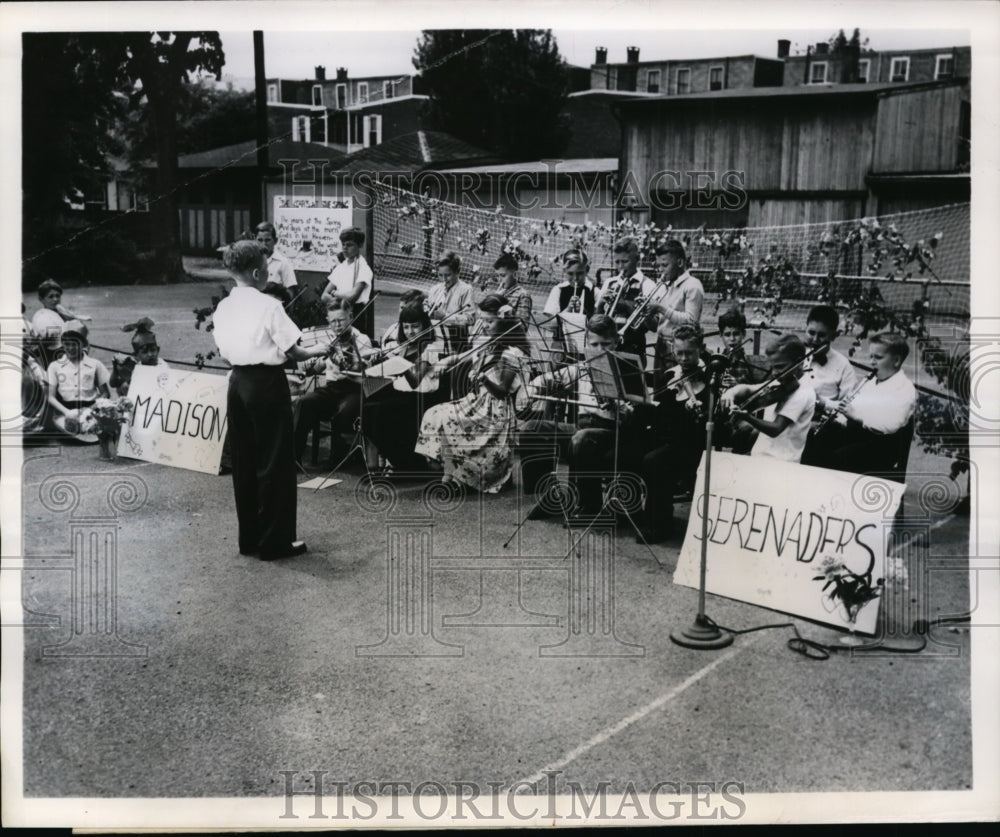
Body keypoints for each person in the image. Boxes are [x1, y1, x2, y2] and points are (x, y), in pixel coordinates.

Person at [211, 240, 331, 561]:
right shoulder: (269, 306)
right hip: (265, 383)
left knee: (245, 459)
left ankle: (249, 538)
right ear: (256, 271)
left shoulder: (224, 308)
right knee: (274, 461)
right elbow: (294, 350)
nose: (268, 272)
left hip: (237, 383)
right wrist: (318, 350)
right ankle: (275, 542)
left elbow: (224, 350)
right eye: (265, 268)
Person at [517, 314, 646, 521]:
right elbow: (548, 379)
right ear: (586, 343)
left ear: (616, 343)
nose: (600, 350)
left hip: (614, 434)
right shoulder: (582, 368)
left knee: (582, 438)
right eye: (594, 344)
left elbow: (637, 415)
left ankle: (589, 505)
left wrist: (619, 407)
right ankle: (551, 497)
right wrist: (531, 389)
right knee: (531, 428)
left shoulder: (627, 370)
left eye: (606, 344)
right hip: (583, 429)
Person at [415, 294, 532, 493]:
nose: (485, 326)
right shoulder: (488, 343)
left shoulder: (512, 352)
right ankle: (449, 474)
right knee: (434, 413)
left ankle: (457, 478)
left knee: (448, 418)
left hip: (496, 411)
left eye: (490, 321)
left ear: (504, 322)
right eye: (483, 321)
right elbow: (460, 357)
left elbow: (502, 391)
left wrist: (484, 379)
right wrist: (442, 363)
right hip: (479, 402)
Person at [637, 324, 710, 543]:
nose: (684, 359)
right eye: (679, 353)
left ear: (700, 349)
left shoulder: (708, 378)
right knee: (628, 446)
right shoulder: (671, 375)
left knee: (655, 461)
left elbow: (706, 422)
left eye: (690, 353)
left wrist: (696, 409)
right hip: (663, 439)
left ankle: (660, 525)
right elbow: (654, 413)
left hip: (689, 445)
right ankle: (631, 512)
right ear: (672, 350)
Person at [810, 332, 916, 476]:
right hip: (857, 438)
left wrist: (856, 415)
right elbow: (850, 408)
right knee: (814, 441)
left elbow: (890, 425)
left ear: (896, 361)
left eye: (878, 358)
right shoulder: (871, 382)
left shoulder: (904, 389)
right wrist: (833, 413)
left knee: (835, 460)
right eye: (871, 356)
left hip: (881, 448)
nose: (872, 362)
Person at [362, 302, 444, 475]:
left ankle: (404, 462)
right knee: (367, 403)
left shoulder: (431, 347)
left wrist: (400, 366)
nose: (410, 332)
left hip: (422, 398)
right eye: (406, 327)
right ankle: (375, 465)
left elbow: (415, 380)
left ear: (424, 326)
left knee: (380, 411)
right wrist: (378, 361)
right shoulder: (403, 346)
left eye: (415, 326)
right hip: (403, 394)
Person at [292, 298, 374, 468]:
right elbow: (310, 371)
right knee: (304, 402)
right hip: (332, 388)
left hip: (354, 388)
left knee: (343, 411)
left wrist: (346, 363)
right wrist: (320, 362)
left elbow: (363, 372)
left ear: (350, 317)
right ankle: (293, 458)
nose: (337, 326)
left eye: (341, 320)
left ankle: (339, 458)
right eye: (333, 321)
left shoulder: (361, 339)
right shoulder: (325, 338)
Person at [722, 333, 816, 463]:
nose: (774, 373)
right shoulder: (782, 381)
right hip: (761, 456)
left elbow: (776, 429)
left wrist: (747, 417)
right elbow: (749, 389)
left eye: (780, 367)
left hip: (783, 462)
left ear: (799, 362)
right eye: (772, 367)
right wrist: (731, 393)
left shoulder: (803, 392)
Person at [596, 237, 660, 366]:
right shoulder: (610, 283)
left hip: (634, 348)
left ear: (637, 259)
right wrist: (602, 303)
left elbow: (654, 326)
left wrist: (625, 305)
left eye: (625, 262)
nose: (620, 267)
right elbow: (596, 320)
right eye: (617, 262)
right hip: (607, 347)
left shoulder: (647, 285)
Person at [45, 321, 111, 440]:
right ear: (62, 344)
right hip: (66, 411)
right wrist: (67, 412)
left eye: (75, 344)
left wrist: (90, 410)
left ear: (83, 344)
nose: (70, 348)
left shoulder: (95, 364)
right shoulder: (54, 366)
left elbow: (105, 393)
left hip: (91, 410)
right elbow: (50, 397)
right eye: (67, 344)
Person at [649, 238, 705, 368]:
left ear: (679, 262)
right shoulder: (666, 285)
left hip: (680, 348)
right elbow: (659, 323)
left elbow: (691, 321)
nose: (660, 270)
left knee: (674, 386)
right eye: (659, 266)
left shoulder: (692, 285)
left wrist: (661, 309)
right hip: (661, 344)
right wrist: (647, 313)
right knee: (659, 386)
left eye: (664, 265)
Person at [541, 250, 597, 357]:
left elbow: (599, 325)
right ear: (564, 271)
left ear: (587, 270)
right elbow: (550, 326)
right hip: (561, 346)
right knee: (554, 372)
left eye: (580, 273)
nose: (575, 278)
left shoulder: (595, 291)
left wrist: (585, 312)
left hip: (587, 347)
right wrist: (567, 310)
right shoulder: (558, 290)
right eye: (570, 274)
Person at [425, 250, 476, 354]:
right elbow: (428, 309)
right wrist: (425, 309)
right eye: (440, 275)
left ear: (457, 272)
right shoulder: (434, 289)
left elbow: (470, 319)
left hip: (456, 342)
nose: (444, 279)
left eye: (448, 275)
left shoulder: (466, 290)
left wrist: (445, 317)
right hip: (434, 339)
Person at [32, 279, 90, 366]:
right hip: (54, 356)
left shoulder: (60, 312)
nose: (55, 299)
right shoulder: (41, 316)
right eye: (50, 297)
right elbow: (48, 335)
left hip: (68, 352)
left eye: (57, 296)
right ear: (41, 299)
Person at [109, 318, 170, 397]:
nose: (150, 354)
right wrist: (115, 367)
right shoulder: (136, 366)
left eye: (153, 350)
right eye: (144, 352)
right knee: (123, 387)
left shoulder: (163, 367)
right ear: (136, 355)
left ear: (158, 350)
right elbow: (113, 384)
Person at [321, 227, 372, 310]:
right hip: (339, 310)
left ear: (360, 245)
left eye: (349, 245)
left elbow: (351, 297)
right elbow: (324, 295)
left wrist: (334, 293)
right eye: (343, 244)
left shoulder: (364, 268)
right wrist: (339, 299)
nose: (345, 248)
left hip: (356, 312)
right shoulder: (341, 267)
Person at [254, 222, 298, 289]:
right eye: (260, 240)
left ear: (275, 241)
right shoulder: (251, 261)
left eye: (267, 240)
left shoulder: (283, 262)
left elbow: (291, 292)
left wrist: (276, 289)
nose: (263, 244)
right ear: (255, 240)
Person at [493, 253, 533, 325]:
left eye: (503, 275)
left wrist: (507, 311)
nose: (499, 280)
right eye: (497, 276)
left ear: (515, 275)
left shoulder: (523, 295)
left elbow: (523, 327)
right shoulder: (498, 292)